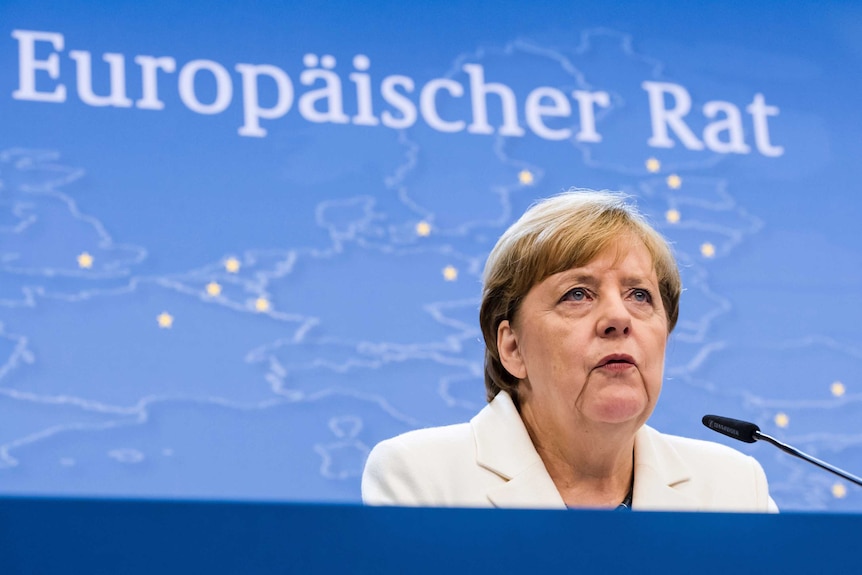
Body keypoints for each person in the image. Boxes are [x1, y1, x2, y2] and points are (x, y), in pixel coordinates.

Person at [362, 189, 777, 512]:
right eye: (577, 294)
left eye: (640, 295)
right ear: (512, 347)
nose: (619, 317)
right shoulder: (423, 479)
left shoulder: (734, 489)